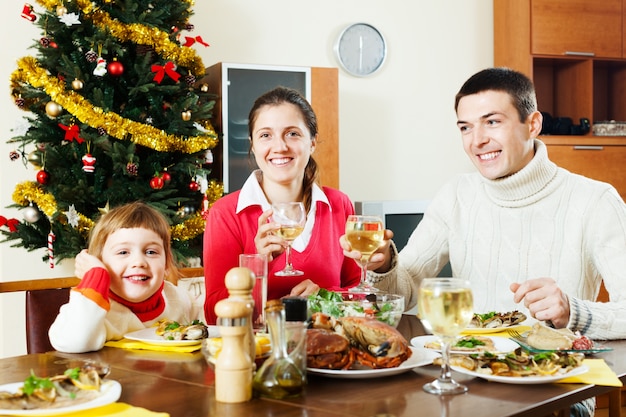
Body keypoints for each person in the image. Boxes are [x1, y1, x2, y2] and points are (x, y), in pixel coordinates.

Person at [342, 67, 626, 416]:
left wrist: (573, 310)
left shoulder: (595, 200)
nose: (476, 140)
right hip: (463, 379)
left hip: (555, 391)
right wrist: (384, 264)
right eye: (465, 127)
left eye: (492, 122)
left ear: (532, 124)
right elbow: (407, 289)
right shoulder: (456, 195)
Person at [203, 86, 361, 324]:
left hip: (328, 353)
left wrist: (325, 299)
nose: (280, 147)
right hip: (257, 355)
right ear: (253, 145)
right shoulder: (225, 214)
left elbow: (359, 294)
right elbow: (213, 314)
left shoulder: (339, 205)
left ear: (313, 142)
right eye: (266, 135)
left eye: (292, 134)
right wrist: (255, 268)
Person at [49, 201, 203, 353]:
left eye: (151, 252)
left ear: (167, 264)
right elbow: (76, 342)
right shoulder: (91, 307)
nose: (139, 262)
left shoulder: (180, 300)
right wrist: (96, 275)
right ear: (99, 262)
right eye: (123, 252)